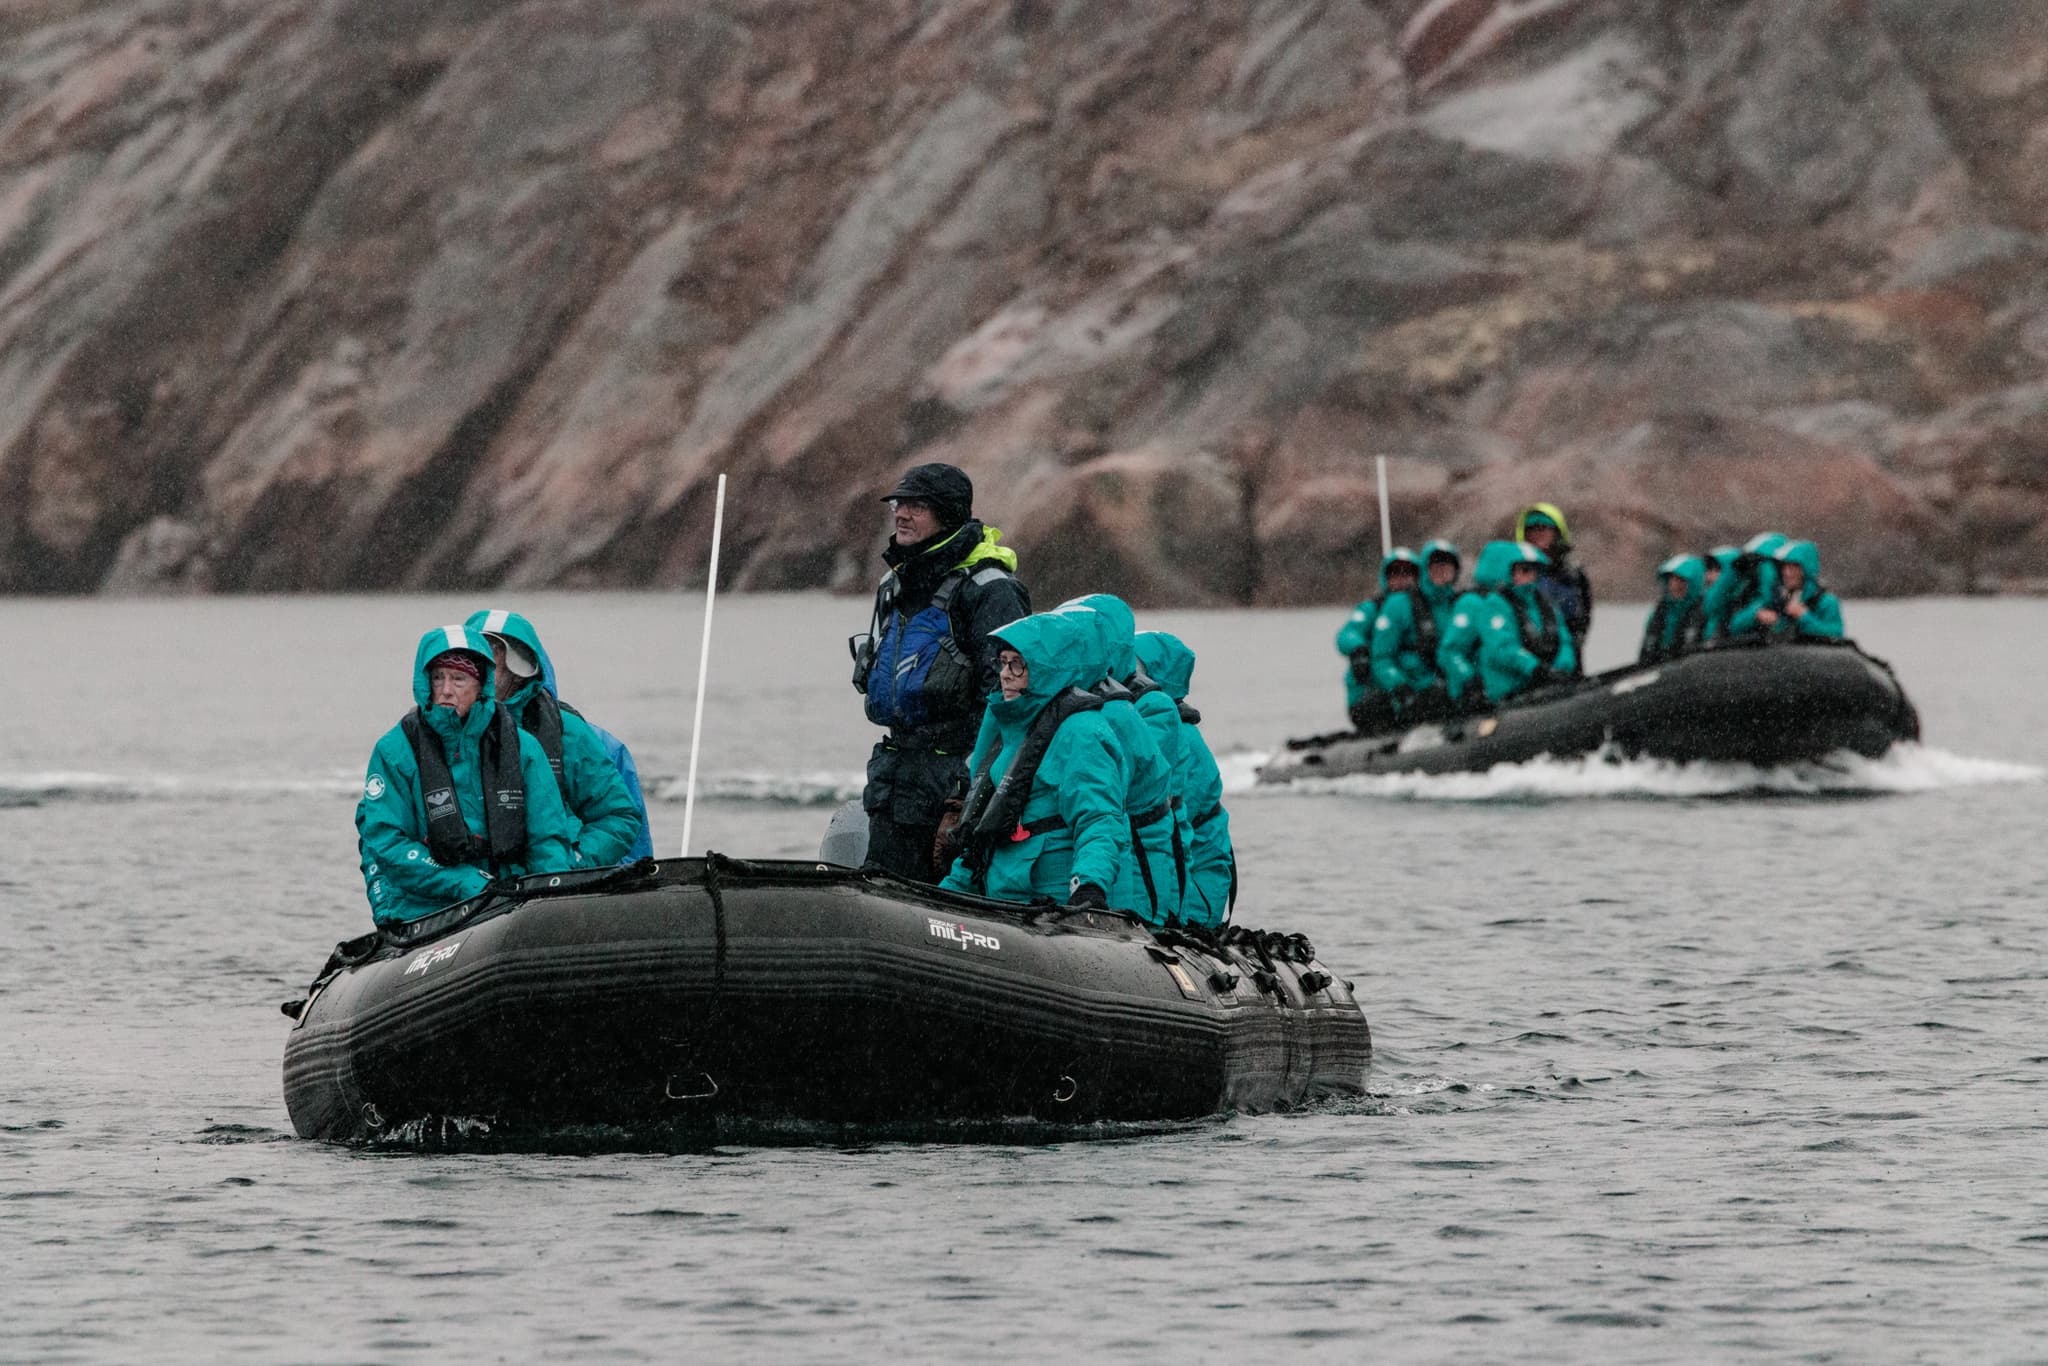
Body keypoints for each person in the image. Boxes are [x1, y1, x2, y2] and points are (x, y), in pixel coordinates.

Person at [852, 463, 1029, 881]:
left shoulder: (990, 590)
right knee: (881, 888)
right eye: (899, 504)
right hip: (893, 773)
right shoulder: (893, 586)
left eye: (917, 506)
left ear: (948, 513)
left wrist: (980, 786)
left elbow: (1010, 700)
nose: (901, 514)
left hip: (954, 779)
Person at [356, 624, 578, 927]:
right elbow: (385, 841)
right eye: (438, 678)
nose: (446, 689)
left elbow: (547, 836)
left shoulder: (523, 748)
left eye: (459, 679)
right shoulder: (395, 750)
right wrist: (465, 882)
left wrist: (550, 899)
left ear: (481, 683)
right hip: (423, 909)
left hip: (508, 899)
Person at [939, 613, 1129, 911]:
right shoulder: (1012, 733)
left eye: (1018, 664)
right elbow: (984, 831)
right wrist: (943, 896)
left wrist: (1089, 886)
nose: (1005, 673)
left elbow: (1099, 819)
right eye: (1003, 662)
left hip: (1053, 907)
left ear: (1048, 670)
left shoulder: (1081, 733)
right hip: (1007, 901)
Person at [464, 608, 649, 865]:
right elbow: (394, 833)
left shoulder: (582, 739)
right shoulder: (423, 736)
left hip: (555, 882)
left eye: (493, 654)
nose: (480, 669)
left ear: (519, 669)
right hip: (463, 888)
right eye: (469, 659)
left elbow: (623, 826)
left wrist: (570, 865)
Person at [1055, 594, 1189, 925]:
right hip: (1107, 848)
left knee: (1143, 930)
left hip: (1141, 852)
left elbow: (1120, 784)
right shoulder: (1075, 704)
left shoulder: (1153, 708)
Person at [1134, 630, 1233, 928]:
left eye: (1133, 667)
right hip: (1179, 877)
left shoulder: (1182, 737)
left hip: (1195, 889)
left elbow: (1174, 820)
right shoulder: (1154, 726)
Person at [1338, 548, 1447, 732]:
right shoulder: (1372, 609)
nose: (1401, 579)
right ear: (1386, 578)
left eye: (1407, 574)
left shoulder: (1424, 610)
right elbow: (1348, 634)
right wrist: (1359, 650)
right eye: (1395, 574)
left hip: (1410, 684)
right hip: (1376, 689)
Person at [1477, 541, 1576, 703]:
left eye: (1529, 570)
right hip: (1510, 692)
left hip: (1544, 687)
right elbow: (1502, 647)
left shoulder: (1546, 605)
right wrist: (1535, 668)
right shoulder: (1495, 605)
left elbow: (1564, 640)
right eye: (1519, 570)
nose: (1523, 576)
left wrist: (1562, 668)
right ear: (1509, 572)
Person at [1513, 502, 1592, 666]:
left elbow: (1583, 616)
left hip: (1567, 655)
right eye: (1531, 529)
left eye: (1543, 528)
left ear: (1556, 531)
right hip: (1530, 658)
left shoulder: (1573, 575)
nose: (1537, 534)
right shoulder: (1514, 572)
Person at [1732, 540, 1844, 640]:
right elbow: (1734, 626)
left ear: (1806, 569)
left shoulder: (1826, 602)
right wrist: (1755, 615)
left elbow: (1836, 634)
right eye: (1784, 567)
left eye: (1793, 567)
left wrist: (1804, 616)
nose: (1787, 573)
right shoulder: (1775, 597)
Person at [1703, 531, 1787, 641]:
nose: (1710, 575)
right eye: (1708, 568)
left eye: (1717, 568)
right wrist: (1733, 570)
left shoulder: (1781, 594)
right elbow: (1711, 608)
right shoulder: (1743, 591)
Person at [1639, 554, 1707, 664]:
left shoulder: (1702, 611)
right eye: (1671, 579)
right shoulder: (1661, 611)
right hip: (1660, 669)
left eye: (1681, 579)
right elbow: (1647, 649)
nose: (1674, 584)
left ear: (1694, 583)